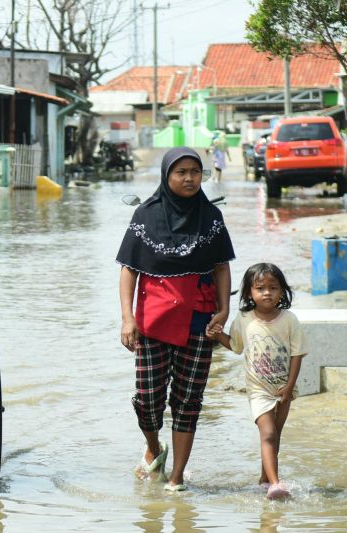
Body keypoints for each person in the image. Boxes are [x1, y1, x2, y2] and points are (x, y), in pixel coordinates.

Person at [117, 147, 235, 492]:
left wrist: (224, 309)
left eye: (195, 172)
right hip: (152, 322)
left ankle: (178, 477)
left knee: (188, 399)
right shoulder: (145, 215)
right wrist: (127, 319)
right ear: (167, 176)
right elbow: (129, 270)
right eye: (181, 172)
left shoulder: (211, 217)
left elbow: (222, 266)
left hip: (201, 320)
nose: (189, 178)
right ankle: (154, 448)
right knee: (147, 398)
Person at [206, 263, 306, 500]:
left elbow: (297, 354)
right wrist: (218, 334)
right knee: (268, 434)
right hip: (259, 389)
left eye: (273, 287)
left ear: (282, 291)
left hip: (284, 387)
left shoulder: (289, 320)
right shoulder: (243, 319)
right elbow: (236, 346)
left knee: (275, 436)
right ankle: (275, 483)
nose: (267, 293)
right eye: (260, 288)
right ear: (250, 293)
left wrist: (290, 386)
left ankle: (264, 479)